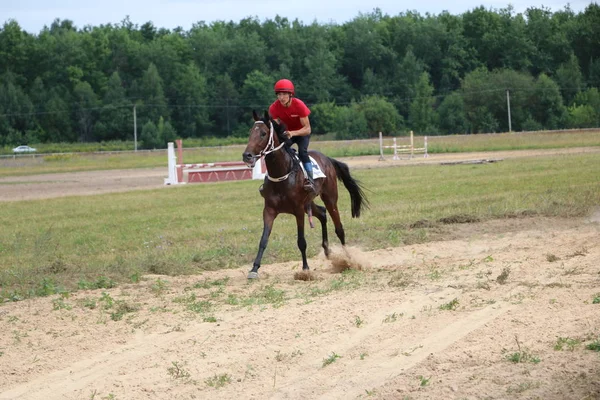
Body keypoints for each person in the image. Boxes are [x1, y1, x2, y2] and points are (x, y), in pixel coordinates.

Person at [268, 78, 315, 193]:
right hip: (287, 134)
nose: (281, 97)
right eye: (279, 94)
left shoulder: (299, 105)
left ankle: (310, 181)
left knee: (303, 153)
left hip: (301, 133)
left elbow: (307, 129)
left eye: (284, 94)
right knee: (279, 152)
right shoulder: (273, 108)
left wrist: (293, 133)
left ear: (290, 94)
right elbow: (276, 127)